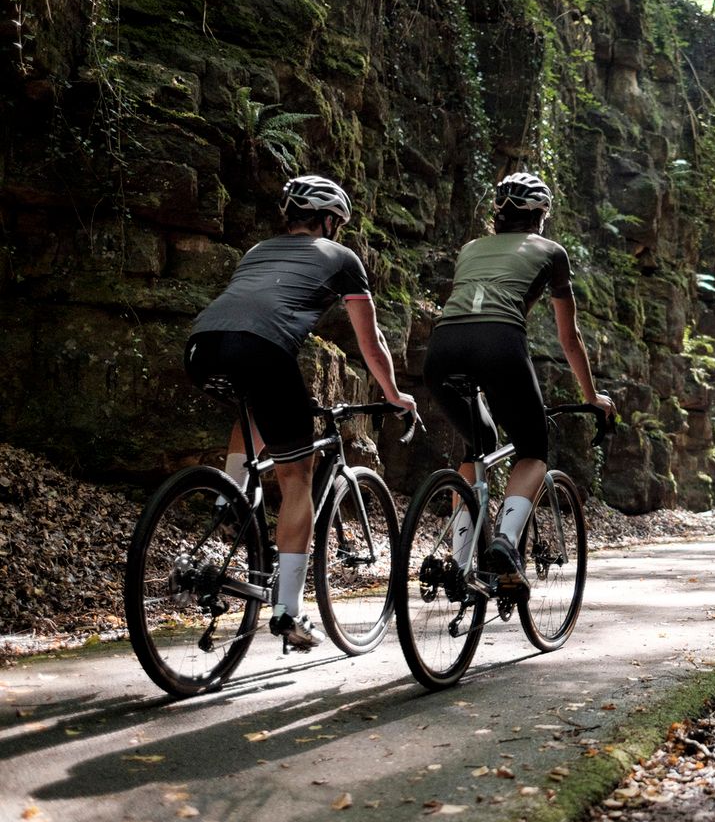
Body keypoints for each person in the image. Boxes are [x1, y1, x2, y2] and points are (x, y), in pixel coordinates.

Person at [184, 175, 417, 651]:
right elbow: (371, 345)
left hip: (202, 346)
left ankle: (231, 502)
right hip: (262, 351)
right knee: (298, 475)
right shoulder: (342, 258)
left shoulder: (256, 252)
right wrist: (394, 394)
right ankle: (288, 612)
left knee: (252, 409)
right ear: (330, 221)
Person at [424, 171, 615, 588]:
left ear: (497, 212)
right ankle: (506, 544)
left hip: (442, 348)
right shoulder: (550, 251)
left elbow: (479, 304)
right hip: (498, 343)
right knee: (532, 449)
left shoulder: (471, 248)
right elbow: (569, 337)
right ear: (541, 216)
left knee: (479, 447)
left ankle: (459, 563)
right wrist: (591, 395)